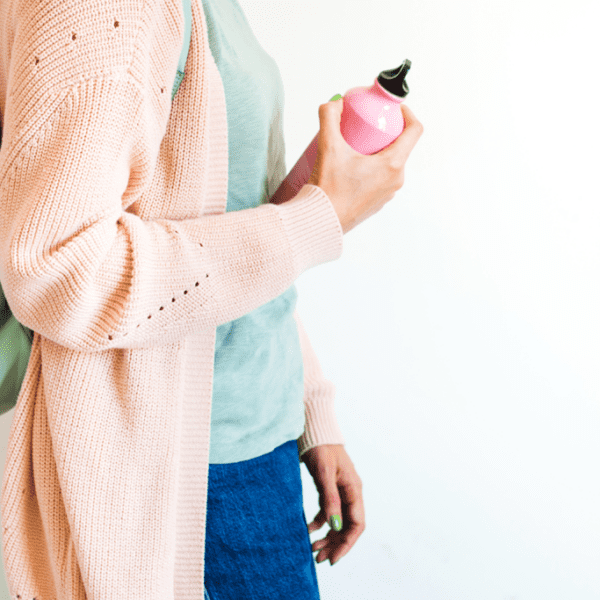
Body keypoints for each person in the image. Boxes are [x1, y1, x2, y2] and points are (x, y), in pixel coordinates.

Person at [0, 0, 423, 598]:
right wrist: (316, 220)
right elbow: (60, 269)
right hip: (187, 471)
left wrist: (310, 410)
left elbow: (231, 224)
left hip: (258, 441)